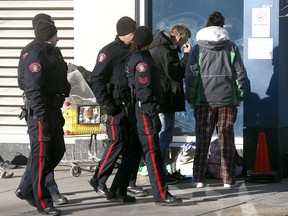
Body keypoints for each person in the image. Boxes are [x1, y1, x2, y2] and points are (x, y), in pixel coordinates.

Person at [185, 11, 247, 188]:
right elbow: (240, 74)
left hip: (203, 101)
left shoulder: (198, 48)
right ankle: (228, 179)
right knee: (226, 138)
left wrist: (190, 97)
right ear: (222, 26)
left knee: (202, 138)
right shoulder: (231, 47)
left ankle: (198, 179)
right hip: (227, 100)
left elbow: (191, 75)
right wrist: (240, 95)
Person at [15, 19, 71, 215]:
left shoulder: (52, 51)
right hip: (40, 112)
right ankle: (42, 201)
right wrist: (41, 116)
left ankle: (26, 187)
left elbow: (61, 74)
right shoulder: (34, 54)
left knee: (57, 150)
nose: (58, 37)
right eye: (56, 35)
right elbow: (32, 89)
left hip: (53, 109)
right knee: (41, 157)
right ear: (49, 38)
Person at [89, 16, 146, 202]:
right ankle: (98, 179)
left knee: (132, 147)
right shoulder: (109, 52)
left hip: (130, 106)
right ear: (126, 33)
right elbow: (96, 79)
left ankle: (123, 187)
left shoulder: (133, 50)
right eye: (133, 31)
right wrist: (106, 104)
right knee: (117, 143)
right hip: (115, 105)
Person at [126, 26, 182, 206]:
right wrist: (152, 116)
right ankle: (161, 194)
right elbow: (144, 93)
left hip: (140, 113)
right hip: (145, 113)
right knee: (153, 154)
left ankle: (118, 188)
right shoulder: (142, 62)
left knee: (136, 152)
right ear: (147, 42)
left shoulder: (139, 57)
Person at [149, 24, 192, 184]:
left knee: (165, 134)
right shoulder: (164, 49)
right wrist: (186, 56)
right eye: (184, 41)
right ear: (179, 37)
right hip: (165, 99)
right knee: (164, 134)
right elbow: (176, 72)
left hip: (164, 97)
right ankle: (160, 172)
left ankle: (161, 170)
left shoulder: (162, 46)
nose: (183, 44)